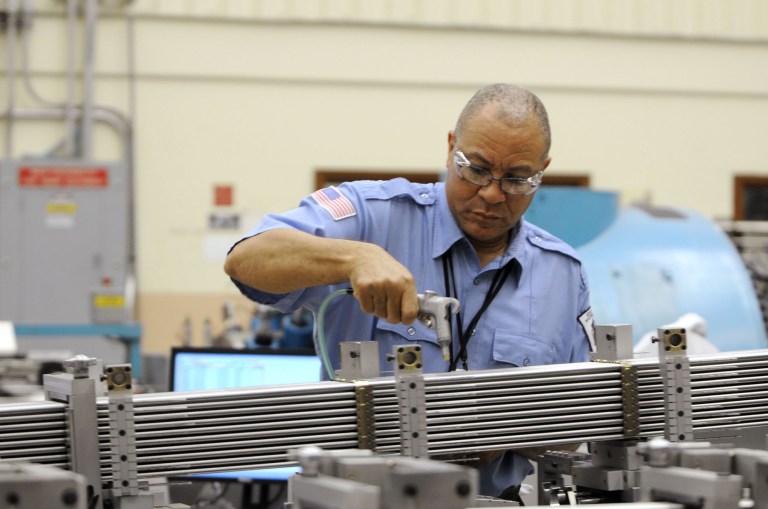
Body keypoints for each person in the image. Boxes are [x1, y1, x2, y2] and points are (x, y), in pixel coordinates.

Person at [224, 83, 594, 502]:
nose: (492, 194)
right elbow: (246, 259)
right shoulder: (372, 216)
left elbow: (575, 429)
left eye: (516, 179)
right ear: (451, 146)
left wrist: (500, 428)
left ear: (542, 170)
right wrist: (353, 258)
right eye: (476, 169)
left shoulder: (562, 274)